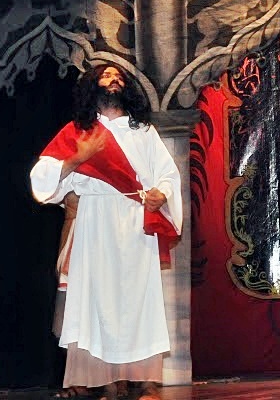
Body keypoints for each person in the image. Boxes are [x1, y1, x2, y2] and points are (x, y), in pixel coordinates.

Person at [30, 65, 182, 400]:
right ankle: (106, 381)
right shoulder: (78, 132)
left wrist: (161, 194)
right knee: (96, 301)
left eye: (119, 77)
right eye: (106, 75)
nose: (114, 80)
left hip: (135, 220)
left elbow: (167, 174)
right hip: (95, 222)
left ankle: (147, 383)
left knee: (139, 300)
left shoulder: (142, 130)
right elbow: (42, 180)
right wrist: (77, 159)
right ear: (92, 86)